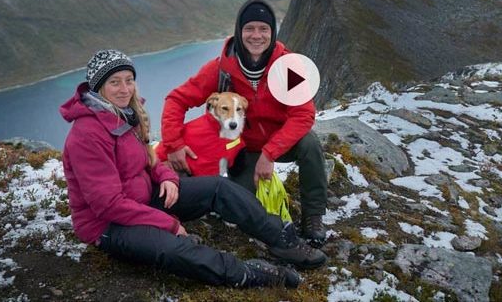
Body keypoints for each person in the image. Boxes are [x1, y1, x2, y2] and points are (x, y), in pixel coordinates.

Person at [60, 49, 326, 289]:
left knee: (218, 187)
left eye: (128, 80)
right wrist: (169, 224)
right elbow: (107, 205)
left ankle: (282, 240)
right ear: (98, 88)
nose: (124, 89)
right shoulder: (87, 135)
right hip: (109, 224)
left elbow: (149, 158)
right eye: (114, 82)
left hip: (145, 198)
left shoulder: (126, 115)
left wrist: (166, 177)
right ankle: (247, 273)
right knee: (173, 250)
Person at [161, 0, 328, 246]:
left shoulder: (288, 67)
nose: (256, 36)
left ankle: (313, 216)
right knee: (246, 207)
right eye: (249, 28)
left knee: (310, 145)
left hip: (277, 143)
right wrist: (173, 143)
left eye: (264, 29)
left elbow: (303, 114)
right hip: (241, 151)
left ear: (273, 32)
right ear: (239, 31)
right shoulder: (221, 68)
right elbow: (177, 100)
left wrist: (270, 153)